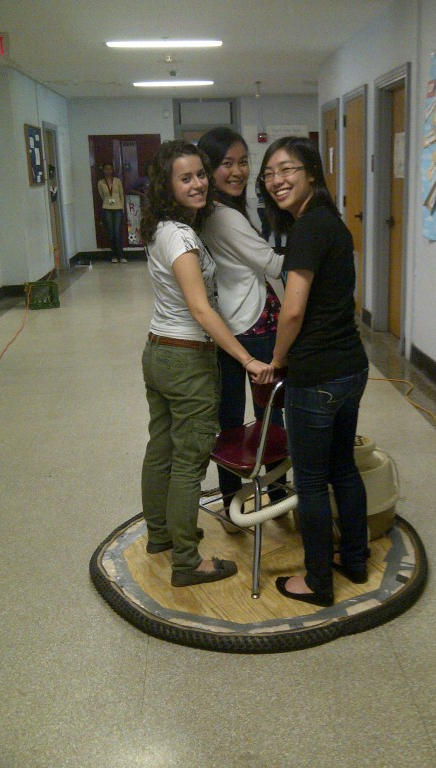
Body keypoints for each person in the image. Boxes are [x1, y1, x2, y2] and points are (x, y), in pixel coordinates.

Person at [139, 139, 273, 587]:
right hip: (185, 359)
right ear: (167, 183)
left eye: (200, 174)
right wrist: (246, 358)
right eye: (186, 177)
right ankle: (186, 561)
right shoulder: (181, 238)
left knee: (162, 449)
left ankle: (161, 535)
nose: (198, 184)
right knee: (188, 460)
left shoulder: (162, 227)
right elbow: (201, 309)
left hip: (157, 351)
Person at [258, 136, 370, 607]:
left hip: (317, 375)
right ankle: (356, 560)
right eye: (269, 175)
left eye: (286, 170)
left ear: (310, 174)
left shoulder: (306, 230)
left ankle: (318, 582)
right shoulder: (334, 225)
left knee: (309, 480)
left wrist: (277, 359)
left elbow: (293, 312)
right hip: (351, 367)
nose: (276, 181)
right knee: (343, 467)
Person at [198, 127, 287, 527]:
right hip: (253, 325)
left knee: (231, 419)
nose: (237, 171)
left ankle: (235, 504)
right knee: (269, 414)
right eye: (225, 164)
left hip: (233, 325)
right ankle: (278, 494)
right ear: (208, 169)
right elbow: (272, 264)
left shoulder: (217, 209)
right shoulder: (225, 215)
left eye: (242, 161)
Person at [98, 162, 126, 262]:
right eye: (106, 169)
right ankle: (113, 255)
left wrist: (122, 207)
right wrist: (108, 203)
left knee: (117, 232)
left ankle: (121, 256)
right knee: (111, 232)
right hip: (107, 209)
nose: (108, 171)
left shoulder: (117, 181)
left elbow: (121, 194)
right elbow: (102, 195)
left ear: (112, 170)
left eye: (110, 169)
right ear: (103, 170)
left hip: (118, 209)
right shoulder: (101, 182)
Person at [255, 176, 282, 249]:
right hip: (270, 207)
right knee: (276, 229)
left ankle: (263, 249)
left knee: (266, 231)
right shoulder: (271, 179)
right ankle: (278, 250)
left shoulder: (259, 180)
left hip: (261, 207)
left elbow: (258, 194)